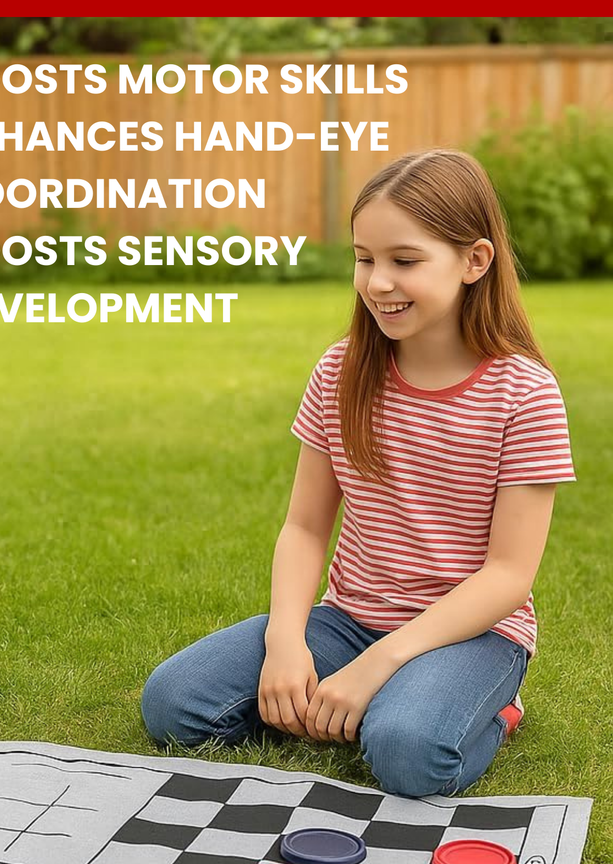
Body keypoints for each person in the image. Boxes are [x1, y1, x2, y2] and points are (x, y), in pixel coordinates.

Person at [141, 149, 574, 797]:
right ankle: (367, 702)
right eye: (365, 258)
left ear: (475, 261)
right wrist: (286, 642)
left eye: (405, 261)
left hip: (472, 635)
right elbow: (304, 527)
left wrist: (382, 663)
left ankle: (492, 710)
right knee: (174, 704)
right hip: (347, 620)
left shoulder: (525, 394)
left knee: (406, 753)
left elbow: (508, 575)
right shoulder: (341, 371)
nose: (378, 282)